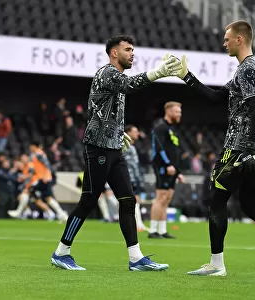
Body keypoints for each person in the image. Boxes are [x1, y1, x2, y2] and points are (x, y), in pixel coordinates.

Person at [50, 35, 182, 271]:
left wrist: (118, 134)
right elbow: (128, 86)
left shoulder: (116, 77)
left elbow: (101, 110)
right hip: (98, 148)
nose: (133, 53)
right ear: (114, 53)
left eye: (133, 49)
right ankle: (61, 252)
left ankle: (136, 258)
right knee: (89, 199)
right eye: (128, 49)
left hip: (113, 148)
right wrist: (158, 72)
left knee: (128, 200)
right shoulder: (107, 73)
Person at [175, 20, 255, 278]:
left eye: (227, 39)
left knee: (216, 198)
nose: (224, 43)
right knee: (250, 204)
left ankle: (217, 265)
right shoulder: (249, 70)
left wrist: (247, 147)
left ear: (240, 39)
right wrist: (186, 76)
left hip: (242, 146)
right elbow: (216, 97)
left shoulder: (248, 70)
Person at [149, 102, 185, 239]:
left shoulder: (172, 129)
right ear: (168, 111)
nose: (179, 114)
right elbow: (159, 148)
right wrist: (168, 164)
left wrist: (178, 171)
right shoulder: (160, 127)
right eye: (177, 111)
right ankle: (153, 230)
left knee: (167, 198)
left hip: (173, 169)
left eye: (180, 112)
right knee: (160, 197)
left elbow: (175, 151)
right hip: (162, 166)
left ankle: (162, 230)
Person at [124, 124, 149, 232]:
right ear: (128, 133)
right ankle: (137, 224)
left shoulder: (134, 147)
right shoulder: (126, 147)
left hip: (134, 178)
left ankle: (138, 224)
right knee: (133, 201)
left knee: (135, 201)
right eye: (135, 131)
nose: (137, 133)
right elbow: (130, 165)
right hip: (129, 178)